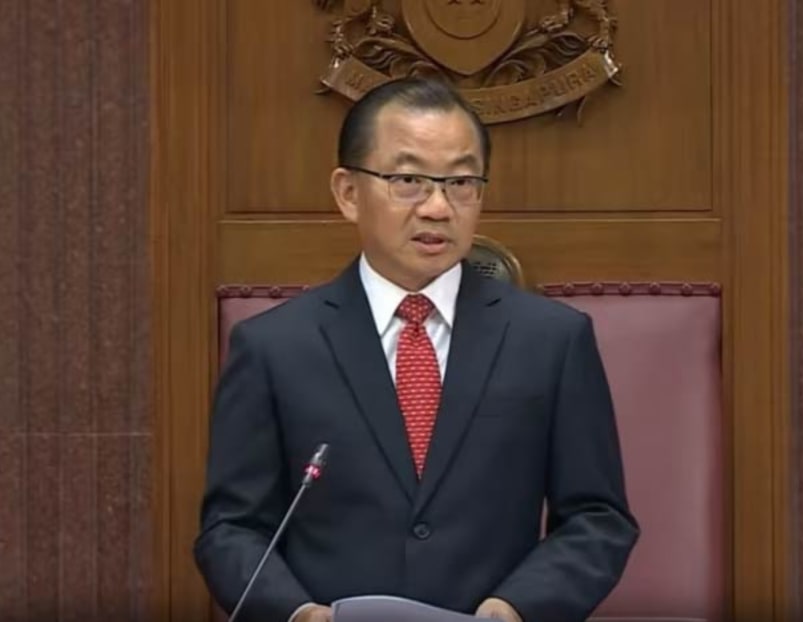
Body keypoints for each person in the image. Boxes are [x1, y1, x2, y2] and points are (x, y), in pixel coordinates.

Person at [194, 77, 638, 622]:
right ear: (348, 193)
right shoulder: (273, 348)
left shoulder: (551, 340)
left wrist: (517, 608)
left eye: (461, 182)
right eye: (408, 180)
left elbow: (597, 518)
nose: (437, 207)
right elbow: (232, 529)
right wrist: (298, 613)